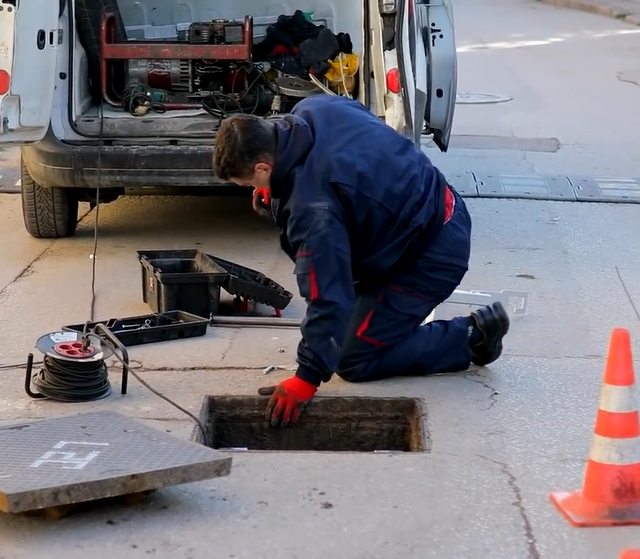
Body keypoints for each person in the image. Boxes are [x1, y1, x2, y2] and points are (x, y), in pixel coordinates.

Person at [213, 96, 511, 428]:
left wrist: (307, 378)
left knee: (353, 358)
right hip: (428, 207)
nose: (252, 190)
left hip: (430, 255)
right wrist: (277, 190)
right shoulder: (315, 109)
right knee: (349, 315)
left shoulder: (312, 210)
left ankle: (473, 334)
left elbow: (328, 296)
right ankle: (390, 318)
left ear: (263, 167)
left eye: (251, 183)